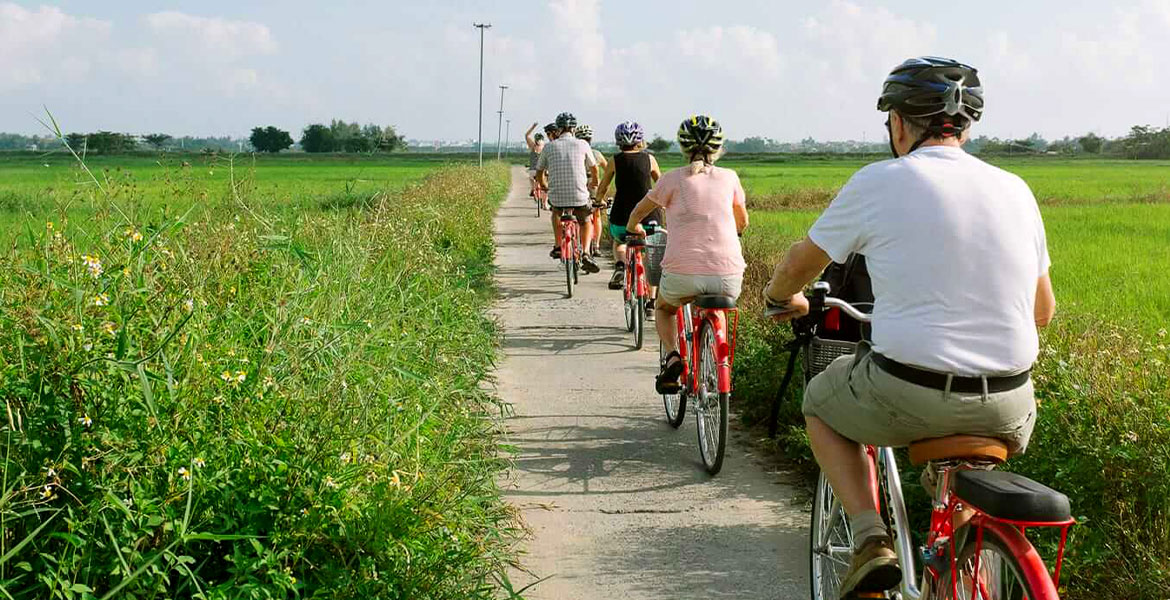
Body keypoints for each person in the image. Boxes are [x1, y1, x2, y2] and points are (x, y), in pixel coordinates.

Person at [763, 57, 1055, 598]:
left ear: (898, 123)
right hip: (1012, 404)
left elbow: (800, 263)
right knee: (957, 477)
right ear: (968, 125)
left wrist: (783, 297)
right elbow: (1043, 310)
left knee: (820, 405)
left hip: (908, 390)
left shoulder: (879, 181)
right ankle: (962, 557)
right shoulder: (1017, 189)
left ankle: (871, 539)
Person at [625, 115, 748, 392]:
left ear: (682, 147)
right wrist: (734, 232)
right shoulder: (730, 178)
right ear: (718, 148)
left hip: (681, 274)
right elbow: (743, 221)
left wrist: (635, 228)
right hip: (728, 278)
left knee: (664, 309)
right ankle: (716, 358)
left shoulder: (672, 180)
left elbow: (638, 212)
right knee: (716, 301)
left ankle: (672, 357)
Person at [596, 121, 662, 307]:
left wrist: (598, 200)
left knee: (619, 242)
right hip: (651, 219)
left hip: (621, 219)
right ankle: (651, 302)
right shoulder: (650, 159)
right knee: (651, 257)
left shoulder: (615, 160)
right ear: (640, 140)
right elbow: (662, 185)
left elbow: (603, 186)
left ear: (618, 141)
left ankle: (619, 266)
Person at [535, 112, 601, 273]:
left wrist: (544, 186)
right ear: (573, 128)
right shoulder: (583, 145)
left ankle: (558, 245)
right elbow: (594, 168)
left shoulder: (549, 146)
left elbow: (539, 171)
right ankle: (585, 252)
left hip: (557, 196)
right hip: (580, 196)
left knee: (556, 213)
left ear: (558, 129)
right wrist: (594, 182)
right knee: (586, 220)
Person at [574, 124, 608, 257]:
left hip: (578, 186)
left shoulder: (575, 152)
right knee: (596, 214)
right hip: (593, 187)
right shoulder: (596, 154)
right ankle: (596, 245)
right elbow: (607, 170)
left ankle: (580, 242)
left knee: (580, 216)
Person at [525, 122, 548, 203]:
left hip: (532, 170)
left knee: (531, 178)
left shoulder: (532, 146)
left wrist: (533, 126)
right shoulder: (545, 148)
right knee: (545, 185)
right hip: (542, 171)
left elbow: (527, 135)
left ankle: (533, 189)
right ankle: (544, 204)